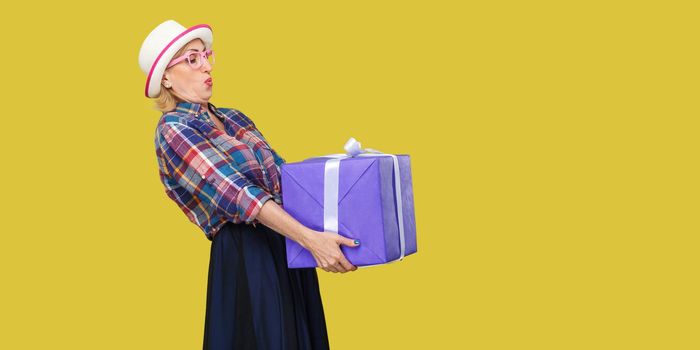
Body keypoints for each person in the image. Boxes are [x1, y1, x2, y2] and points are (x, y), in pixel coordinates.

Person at [138, 20, 360, 349]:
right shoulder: (173, 129)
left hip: (287, 243)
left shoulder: (235, 118)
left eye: (206, 55)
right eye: (192, 59)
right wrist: (312, 240)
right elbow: (240, 196)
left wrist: (346, 180)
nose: (207, 66)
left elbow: (285, 179)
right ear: (166, 78)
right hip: (247, 256)